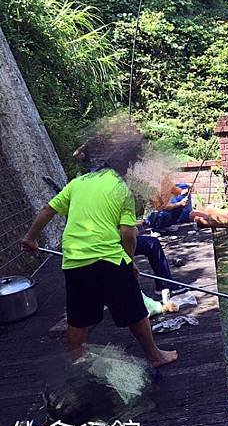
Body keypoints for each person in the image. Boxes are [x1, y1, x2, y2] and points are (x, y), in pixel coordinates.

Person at [21, 124, 177, 369]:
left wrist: (30, 238)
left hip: (73, 261)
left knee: (78, 316)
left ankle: (76, 359)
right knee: (134, 310)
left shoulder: (77, 183)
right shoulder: (121, 189)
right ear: (125, 165)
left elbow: (47, 210)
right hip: (109, 261)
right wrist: (129, 262)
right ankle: (155, 356)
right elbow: (128, 234)